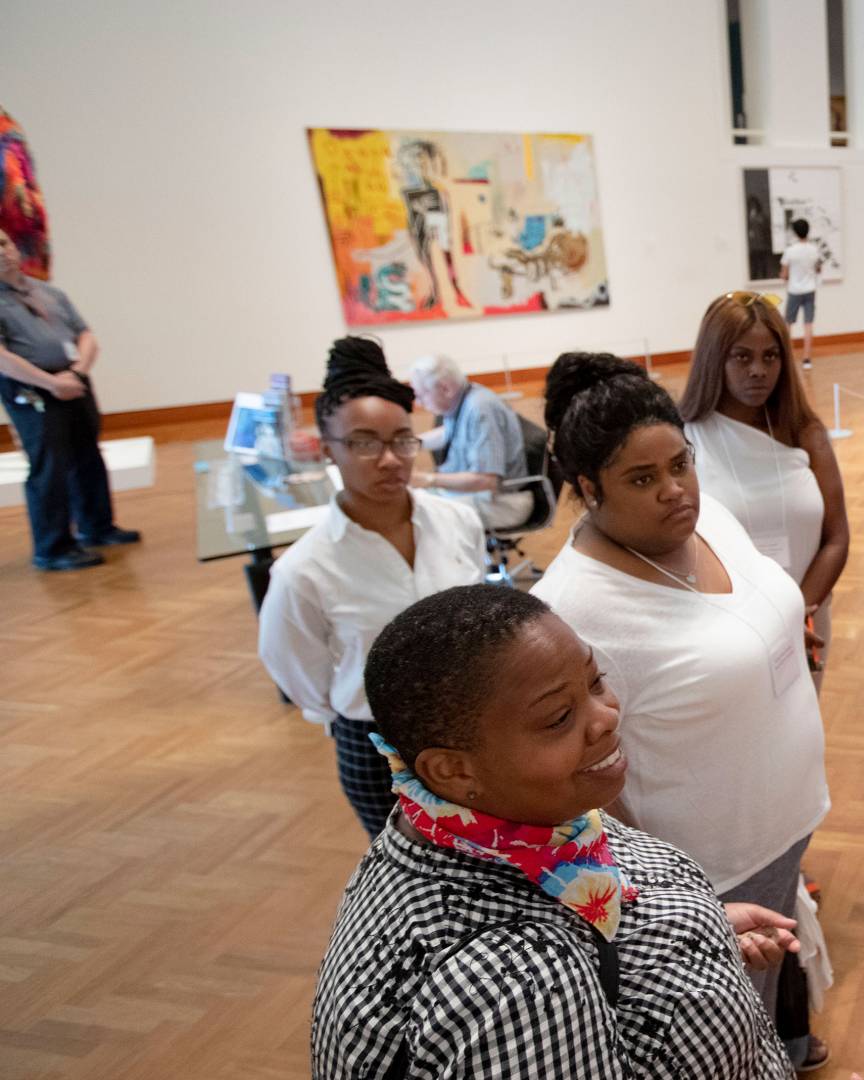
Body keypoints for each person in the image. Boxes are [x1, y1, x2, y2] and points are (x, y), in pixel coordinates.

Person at [312, 584, 797, 1079]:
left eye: (595, 681)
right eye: (559, 718)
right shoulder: (515, 985)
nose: (606, 715)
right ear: (453, 770)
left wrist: (682, 931)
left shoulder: (478, 823)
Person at [529, 352, 832, 1067]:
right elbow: (576, 781)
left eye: (680, 464)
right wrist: (658, 893)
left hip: (782, 823)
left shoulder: (709, 516)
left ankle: (786, 1039)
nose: (674, 490)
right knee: (724, 1028)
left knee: (773, 975)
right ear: (586, 489)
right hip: (710, 864)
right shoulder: (570, 612)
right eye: (642, 478)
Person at [258, 337, 487, 838]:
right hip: (374, 748)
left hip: (474, 729)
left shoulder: (457, 523)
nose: (389, 459)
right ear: (328, 450)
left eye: (403, 440)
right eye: (364, 443)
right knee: (412, 884)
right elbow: (298, 672)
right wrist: (351, 705)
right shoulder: (305, 569)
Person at [680, 291, 850, 689]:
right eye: (742, 357)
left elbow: (836, 538)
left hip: (806, 617)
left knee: (803, 734)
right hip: (727, 626)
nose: (758, 370)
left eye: (770, 356)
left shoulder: (806, 433)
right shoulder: (685, 439)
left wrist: (796, 615)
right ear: (714, 359)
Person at [0, 229, 139, 571]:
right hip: (32, 390)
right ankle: (53, 547)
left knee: (87, 456)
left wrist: (77, 372)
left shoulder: (49, 292)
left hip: (74, 381)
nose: (2, 253)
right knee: (49, 467)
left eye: (3, 244)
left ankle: (97, 527)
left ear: (15, 247)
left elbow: (85, 334)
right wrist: (50, 382)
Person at [406, 353, 535, 529]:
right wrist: (414, 443)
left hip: (501, 501)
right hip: (479, 495)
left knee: (419, 514)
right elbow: (451, 432)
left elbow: (485, 481)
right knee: (411, 501)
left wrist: (427, 479)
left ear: (445, 389)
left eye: (422, 395)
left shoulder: (480, 408)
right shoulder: (464, 397)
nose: (419, 403)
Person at [779, 219, 822, 369]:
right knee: (808, 324)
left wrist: (785, 276)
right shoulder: (813, 249)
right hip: (810, 289)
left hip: (794, 290)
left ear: (795, 232)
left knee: (788, 323)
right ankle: (807, 359)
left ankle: (788, 357)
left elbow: (784, 274)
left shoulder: (790, 251)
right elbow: (818, 269)